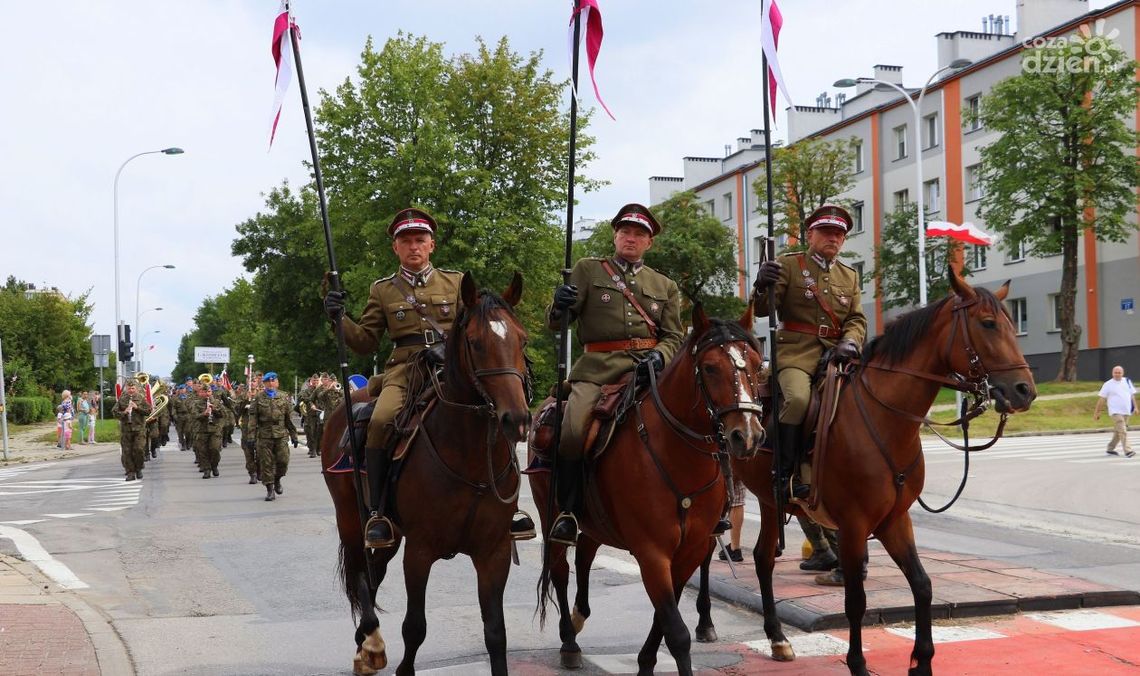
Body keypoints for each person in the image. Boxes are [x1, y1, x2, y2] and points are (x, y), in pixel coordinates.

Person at [324, 207, 535, 547]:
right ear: (395, 247)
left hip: (453, 368)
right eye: (406, 241)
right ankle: (379, 513)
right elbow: (364, 342)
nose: (414, 247)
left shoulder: (456, 282)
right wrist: (339, 318)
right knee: (380, 420)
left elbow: (477, 327)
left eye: (420, 240)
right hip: (406, 370)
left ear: (431, 245)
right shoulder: (383, 290)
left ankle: (507, 507)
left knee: (498, 412)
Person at [546, 203, 685, 546]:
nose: (630, 238)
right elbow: (559, 322)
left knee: (696, 416)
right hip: (598, 369)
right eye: (625, 232)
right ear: (615, 236)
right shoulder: (588, 269)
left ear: (649, 242)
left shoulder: (664, 284)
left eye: (638, 234)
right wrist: (559, 304)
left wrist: (659, 355)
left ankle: (705, 506)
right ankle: (568, 511)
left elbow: (674, 336)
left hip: (647, 369)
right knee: (573, 430)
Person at [752, 204, 867, 500]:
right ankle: (783, 473)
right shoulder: (789, 265)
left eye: (839, 234)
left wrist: (851, 341)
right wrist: (761, 284)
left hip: (837, 354)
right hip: (795, 354)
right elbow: (763, 309)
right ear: (810, 234)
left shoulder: (850, 275)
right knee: (798, 400)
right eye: (826, 231)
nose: (833, 238)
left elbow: (856, 319)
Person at [247, 372, 298, 501]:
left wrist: (294, 435)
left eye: (273, 381)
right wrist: (251, 436)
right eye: (268, 381)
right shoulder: (258, 398)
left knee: (283, 461)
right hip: (264, 435)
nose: (270, 383)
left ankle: (277, 479)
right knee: (266, 463)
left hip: (281, 434)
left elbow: (289, 418)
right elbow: (253, 419)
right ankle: (270, 490)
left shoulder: (284, 397)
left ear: (277, 383)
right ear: (264, 383)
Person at [1094, 365, 1137, 458]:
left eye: (1119, 372)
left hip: (1126, 411)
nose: (1117, 374)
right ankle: (1128, 451)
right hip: (1115, 412)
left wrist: (1136, 408)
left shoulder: (1127, 381)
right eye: (1115, 372)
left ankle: (1110, 448)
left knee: (1119, 431)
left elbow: (1132, 396)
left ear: (1122, 373)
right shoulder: (1108, 384)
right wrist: (1097, 412)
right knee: (1123, 430)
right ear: (1112, 373)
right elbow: (1101, 399)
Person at [112, 381, 151, 481]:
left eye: (133, 388)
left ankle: (139, 468)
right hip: (126, 429)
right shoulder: (122, 399)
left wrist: (137, 408)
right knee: (127, 452)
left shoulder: (141, 398)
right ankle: (130, 472)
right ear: (126, 389)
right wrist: (124, 412)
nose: (131, 390)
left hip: (139, 429)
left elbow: (148, 411)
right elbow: (114, 412)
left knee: (139, 449)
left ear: (136, 389)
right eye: (129, 388)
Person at [193, 377, 225, 478]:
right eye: (204, 391)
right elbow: (194, 416)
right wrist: (204, 414)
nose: (206, 393)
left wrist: (214, 409)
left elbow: (223, 414)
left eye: (208, 391)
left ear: (211, 392)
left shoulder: (217, 402)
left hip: (215, 429)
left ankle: (214, 465)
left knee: (215, 449)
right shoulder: (197, 403)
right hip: (202, 430)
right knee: (203, 451)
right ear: (200, 393)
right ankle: (207, 469)